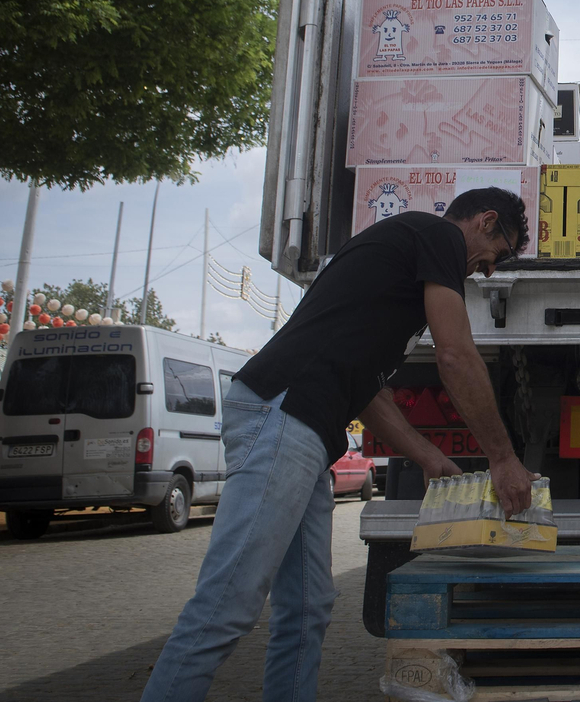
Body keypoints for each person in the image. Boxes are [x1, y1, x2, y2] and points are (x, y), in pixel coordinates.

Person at [142, 188, 535, 702]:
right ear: (486, 221)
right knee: (228, 603)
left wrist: (427, 457)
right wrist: (503, 459)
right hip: (284, 409)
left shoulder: (400, 258)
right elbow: (456, 355)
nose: (487, 271)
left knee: (307, 607)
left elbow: (366, 389)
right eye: (500, 253)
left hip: (304, 423)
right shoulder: (437, 236)